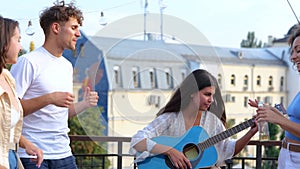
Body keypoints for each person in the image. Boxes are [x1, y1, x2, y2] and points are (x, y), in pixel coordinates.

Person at [9, 2, 99, 169]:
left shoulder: (66, 66)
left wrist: (84, 104)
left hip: (64, 153)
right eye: (74, 28)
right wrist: (49, 98)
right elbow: (11, 110)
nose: (78, 34)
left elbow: (60, 114)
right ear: (56, 28)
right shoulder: (28, 62)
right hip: (32, 156)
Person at [129, 69, 258, 169]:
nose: (211, 100)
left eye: (212, 95)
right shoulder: (170, 118)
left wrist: (250, 133)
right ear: (192, 92)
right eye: (207, 94)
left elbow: (227, 149)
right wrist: (170, 151)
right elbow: (137, 140)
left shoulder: (212, 121)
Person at [249, 26, 300, 169]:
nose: (293, 57)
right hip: (287, 154)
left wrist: (277, 118)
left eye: (299, 50)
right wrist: (270, 111)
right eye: (292, 52)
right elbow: (290, 123)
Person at [0, 17, 43, 169]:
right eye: (18, 40)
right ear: (3, 41)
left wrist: (26, 144)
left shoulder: (7, 77)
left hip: (11, 157)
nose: (20, 47)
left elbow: (5, 126)